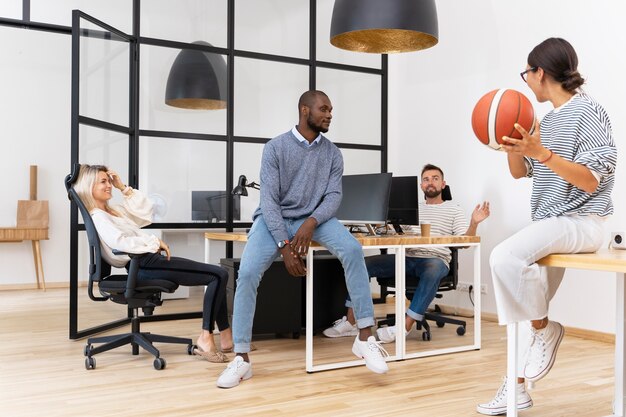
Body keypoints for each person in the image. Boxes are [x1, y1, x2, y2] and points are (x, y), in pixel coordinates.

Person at [476, 37, 617, 415]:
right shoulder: (543, 121)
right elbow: (524, 172)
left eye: (527, 73)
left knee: (504, 257)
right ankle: (517, 387)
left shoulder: (589, 112)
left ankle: (545, 329)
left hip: (583, 222)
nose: (525, 81)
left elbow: (590, 181)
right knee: (523, 293)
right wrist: (514, 150)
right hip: (550, 223)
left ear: (540, 72)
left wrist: (542, 152)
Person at [216, 90, 389, 389]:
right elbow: (269, 201)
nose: (329, 115)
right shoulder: (275, 148)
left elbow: (334, 195)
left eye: (331, 110)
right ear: (304, 110)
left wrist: (310, 223)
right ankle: (242, 358)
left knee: (351, 249)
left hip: (317, 219)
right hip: (274, 219)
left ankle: (364, 335)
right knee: (247, 273)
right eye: (324, 109)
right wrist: (285, 245)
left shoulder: (333, 153)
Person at [73, 164, 233, 363]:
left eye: (109, 181)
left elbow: (145, 212)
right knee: (218, 274)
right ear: (89, 187)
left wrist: (123, 187)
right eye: (103, 182)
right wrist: (153, 242)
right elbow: (120, 243)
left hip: (149, 261)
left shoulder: (113, 211)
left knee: (217, 275)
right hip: (144, 264)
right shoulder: (98, 216)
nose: (109, 186)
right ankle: (206, 338)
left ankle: (225, 337)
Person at [323, 164, 490, 342]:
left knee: (432, 269)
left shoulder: (453, 209)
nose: (430, 182)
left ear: (443, 184)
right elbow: (398, 233)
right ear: (421, 186)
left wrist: (474, 223)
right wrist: (382, 222)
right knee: (361, 264)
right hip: (406, 256)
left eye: (435, 178)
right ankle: (352, 321)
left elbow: (465, 243)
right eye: (426, 179)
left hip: (435, 259)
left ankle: (404, 327)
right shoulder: (413, 208)